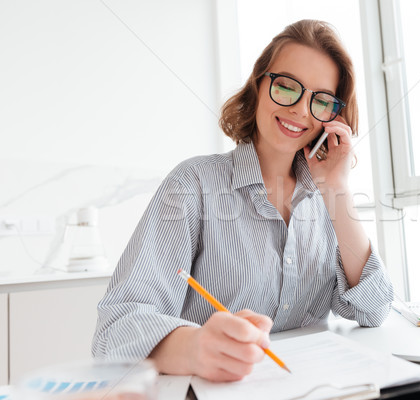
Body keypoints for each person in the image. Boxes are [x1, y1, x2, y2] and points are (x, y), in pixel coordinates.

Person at [92, 19, 394, 382]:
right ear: (259, 84)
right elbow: (114, 330)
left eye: (321, 100)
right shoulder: (193, 184)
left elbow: (374, 309)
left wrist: (337, 190)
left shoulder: (327, 196)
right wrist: (194, 346)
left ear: (334, 117)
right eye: (286, 87)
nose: (301, 110)